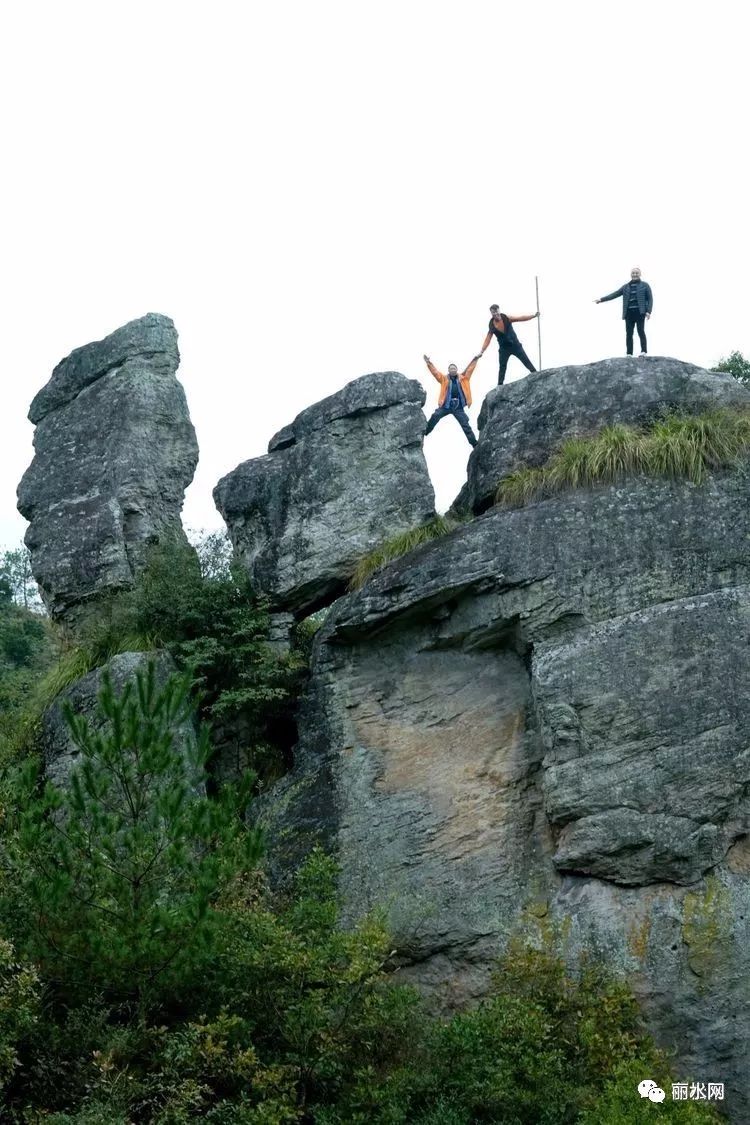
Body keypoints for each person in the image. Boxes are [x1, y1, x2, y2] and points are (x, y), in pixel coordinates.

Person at [423, 354, 479, 447]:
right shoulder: (444, 379)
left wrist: (475, 359)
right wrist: (429, 363)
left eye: (454, 368)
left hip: (458, 407)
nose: (453, 369)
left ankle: (474, 443)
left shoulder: (463, 378)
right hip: (446, 405)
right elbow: (435, 373)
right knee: (435, 415)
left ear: (456, 370)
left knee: (465, 425)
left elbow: (470, 369)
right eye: (451, 368)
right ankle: (425, 431)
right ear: (448, 371)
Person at [595, 267, 653, 355]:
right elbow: (615, 294)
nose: (635, 274)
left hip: (640, 312)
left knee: (640, 331)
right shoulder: (626, 287)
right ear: (631, 274)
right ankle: (629, 353)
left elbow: (650, 299)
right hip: (628, 313)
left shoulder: (645, 285)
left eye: (637, 273)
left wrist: (648, 311)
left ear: (640, 274)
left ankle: (643, 351)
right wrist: (601, 299)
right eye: (633, 273)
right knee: (629, 333)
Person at [479, 304, 539, 385]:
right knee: (502, 367)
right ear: (491, 313)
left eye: (496, 311)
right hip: (504, 349)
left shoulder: (506, 318)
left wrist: (533, 316)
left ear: (499, 310)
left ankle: (535, 374)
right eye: (493, 313)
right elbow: (487, 339)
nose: (495, 314)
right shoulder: (492, 325)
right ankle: (500, 385)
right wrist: (482, 351)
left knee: (526, 360)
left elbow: (520, 318)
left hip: (515, 346)